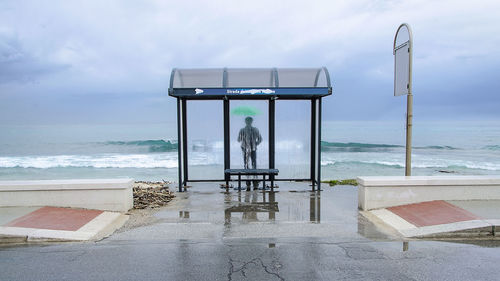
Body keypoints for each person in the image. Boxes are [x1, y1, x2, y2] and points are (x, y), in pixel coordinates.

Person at [237, 116, 262, 190]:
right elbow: (260, 139)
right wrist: (255, 143)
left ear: (245, 122)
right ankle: (255, 182)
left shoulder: (242, 130)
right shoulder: (255, 129)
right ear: (251, 122)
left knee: (246, 164)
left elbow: (239, 140)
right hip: (252, 148)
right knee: (253, 164)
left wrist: (244, 140)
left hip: (245, 149)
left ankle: (249, 182)